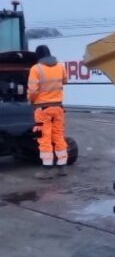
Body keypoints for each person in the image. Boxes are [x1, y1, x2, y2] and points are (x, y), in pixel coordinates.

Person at [27, 45, 69, 179]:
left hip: (42, 109)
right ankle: (62, 166)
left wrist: (30, 100)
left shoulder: (36, 68)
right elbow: (65, 81)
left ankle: (46, 169)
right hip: (58, 107)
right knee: (58, 135)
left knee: (44, 137)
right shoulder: (61, 66)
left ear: (38, 56)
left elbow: (33, 91)